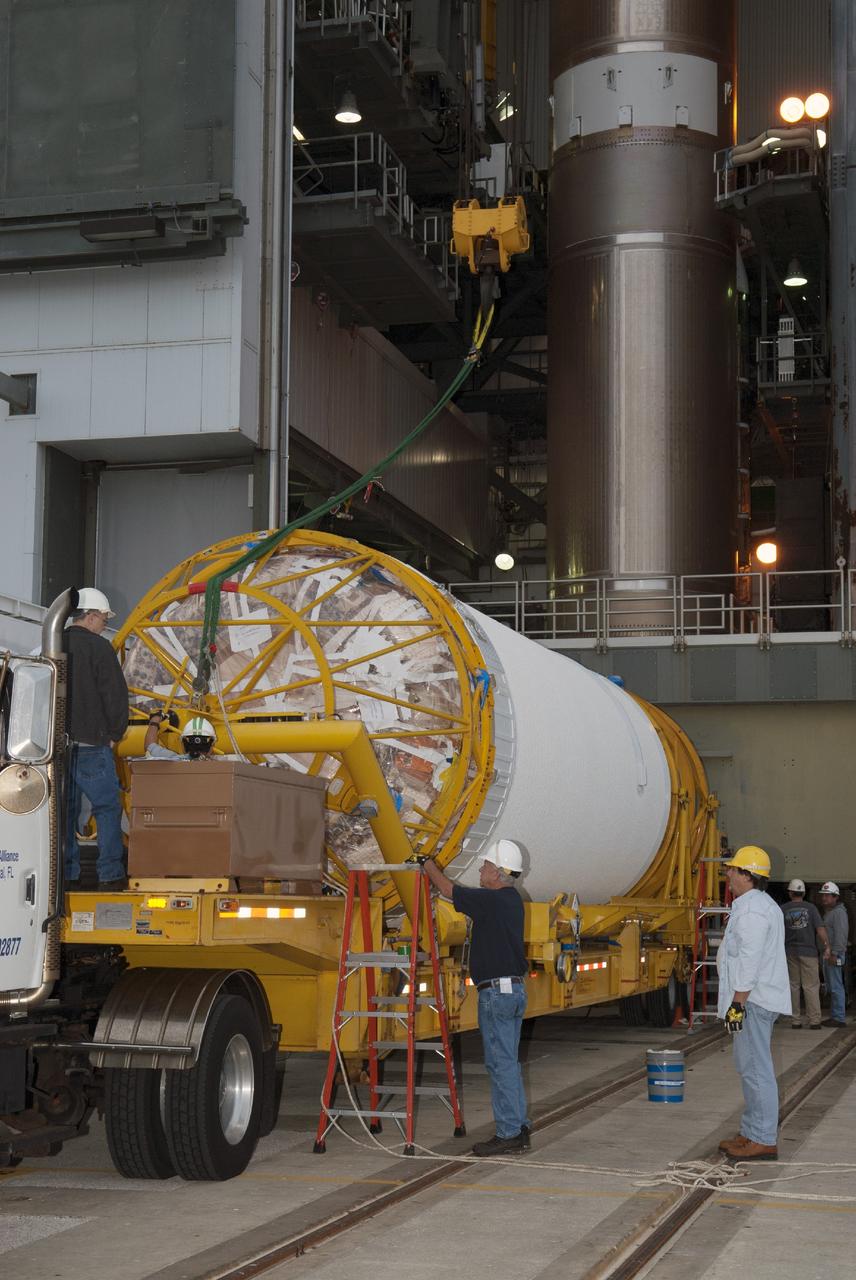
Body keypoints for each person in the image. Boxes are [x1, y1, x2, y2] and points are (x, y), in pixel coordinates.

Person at [422, 838, 530, 1157]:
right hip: (511, 991)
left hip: (496, 993)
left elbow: (448, 890)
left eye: (485, 865)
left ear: (497, 872)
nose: (480, 870)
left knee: (500, 1064)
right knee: (508, 1063)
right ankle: (518, 1127)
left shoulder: (493, 900)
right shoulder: (510, 900)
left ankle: (509, 1133)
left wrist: (426, 864)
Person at [717, 845, 790, 1162]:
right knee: (749, 1066)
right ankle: (751, 1131)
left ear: (747, 875)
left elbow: (750, 960)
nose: (728, 874)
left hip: (752, 1002)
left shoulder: (753, 911)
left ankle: (762, 1139)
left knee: (756, 1069)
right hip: (753, 1000)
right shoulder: (754, 905)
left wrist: (738, 1004)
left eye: (733, 869)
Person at [65, 588, 129, 890]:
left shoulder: (50, 643)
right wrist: (115, 733)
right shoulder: (100, 648)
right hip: (93, 745)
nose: (104, 625)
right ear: (90, 616)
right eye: (104, 619)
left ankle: (67, 875)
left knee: (63, 813)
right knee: (107, 809)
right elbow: (114, 695)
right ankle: (110, 874)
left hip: (57, 749)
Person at [781, 878, 830, 1029]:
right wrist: (827, 946)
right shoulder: (811, 908)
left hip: (790, 952)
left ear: (790, 893)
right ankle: (814, 1021)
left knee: (793, 986)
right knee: (811, 987)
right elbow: (820, 928)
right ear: (803, 893)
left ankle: (795, 1020)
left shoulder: (783, 909)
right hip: (809, 952)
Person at [819, 881, 849, 1028]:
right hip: (829, 954)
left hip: (834, 955)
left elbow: (841, 935)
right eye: (823, 895)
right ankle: (835, 1016)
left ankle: (839, 1018)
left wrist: (835, 954)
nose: (824, 898)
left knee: (836, 986)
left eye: (827, 895)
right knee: (833, 986)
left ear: (835, 897)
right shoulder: (831, 913)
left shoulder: (839, 913)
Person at [143, 712, 217, 760]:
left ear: (183, 744)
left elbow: (149, 746)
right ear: (212, 745)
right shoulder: (219, 766)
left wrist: (155, 721)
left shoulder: (173, 760)